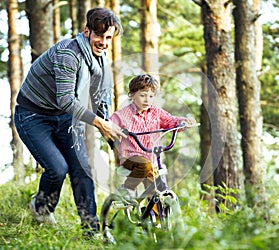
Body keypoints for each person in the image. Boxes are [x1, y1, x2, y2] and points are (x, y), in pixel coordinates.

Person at [14, 7, 126, 235]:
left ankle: (91, 228)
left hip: (63, 117)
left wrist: (108, 125)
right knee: (57, 168)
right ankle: (41, 207)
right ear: (87, 31)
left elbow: (100, 96)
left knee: (81, 168)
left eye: (108, 38)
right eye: (99, 36)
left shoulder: (100, 60)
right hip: (33, 115)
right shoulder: (69, 53)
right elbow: (66, 100)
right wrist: (100, 124)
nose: (103, 42)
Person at [109, 74, 195, 199]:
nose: (147, 100)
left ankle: (153, 216)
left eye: (151, 96)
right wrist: (114, 130)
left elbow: (171, 121)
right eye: (143, 95)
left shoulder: (157, 113)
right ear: (132, 95)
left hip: (152, 158)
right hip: (130, 158)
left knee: (156, 193)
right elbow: (109, 125)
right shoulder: (123, 114)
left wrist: (183, 123)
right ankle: (126, 189)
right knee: (145, 165)